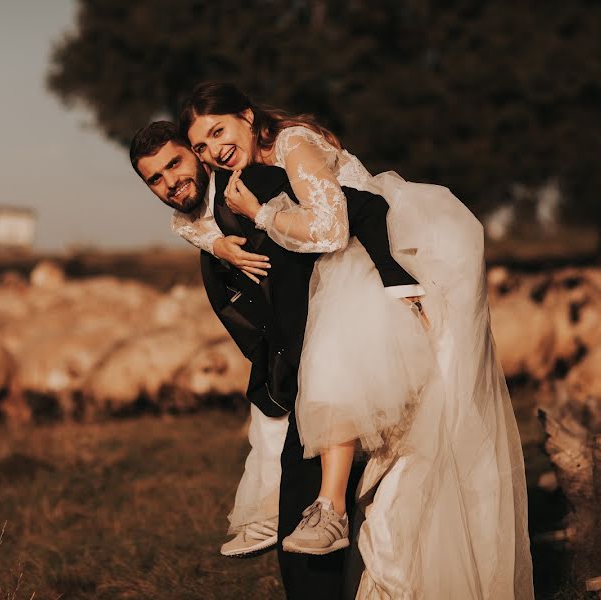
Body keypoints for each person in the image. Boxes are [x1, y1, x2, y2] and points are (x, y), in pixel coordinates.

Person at [176, 82, 534, 599]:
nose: (212, 150)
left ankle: (332, 511)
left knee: (375, 404)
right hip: (347, 269)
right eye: (202, 146)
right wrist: (215, 242)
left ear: (247, 117)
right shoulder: (244, 169)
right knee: (390, 441)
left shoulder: (294, 143)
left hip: (381, 263)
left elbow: (330, 226)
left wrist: (260, 215)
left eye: (218, 131)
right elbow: (190, 220)